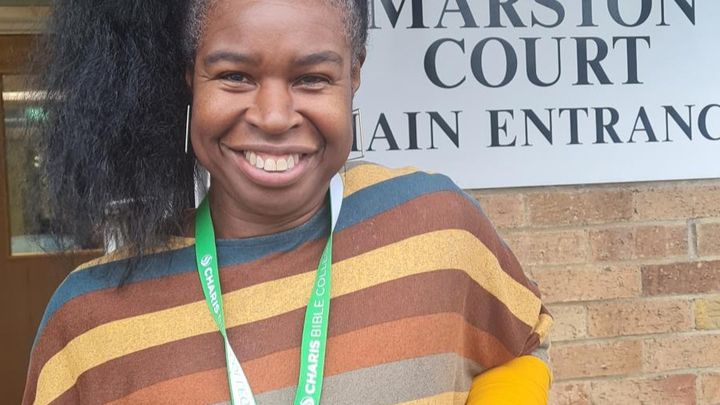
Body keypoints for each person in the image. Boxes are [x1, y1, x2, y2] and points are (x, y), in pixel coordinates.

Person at [23, 0, 553, 404]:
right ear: (190, 79)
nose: (274, 117)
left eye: (311, 78)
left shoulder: (437, 227)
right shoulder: (89, 319)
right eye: (234, 76)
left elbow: (523, 345)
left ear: (354, 76)